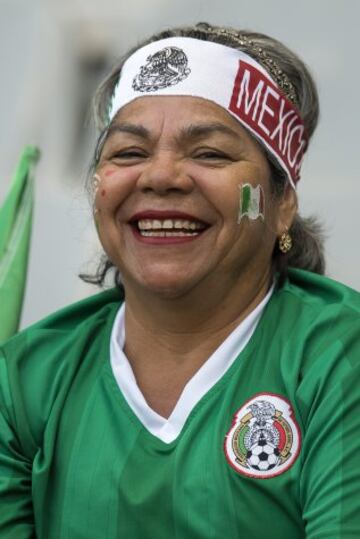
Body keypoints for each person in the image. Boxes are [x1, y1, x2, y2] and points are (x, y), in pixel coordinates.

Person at [0, 22, 359, 539]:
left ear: (282, 206)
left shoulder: (339, 361)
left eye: (209, 153)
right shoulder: (25, 381)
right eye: (128, 153)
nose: (161, 175)